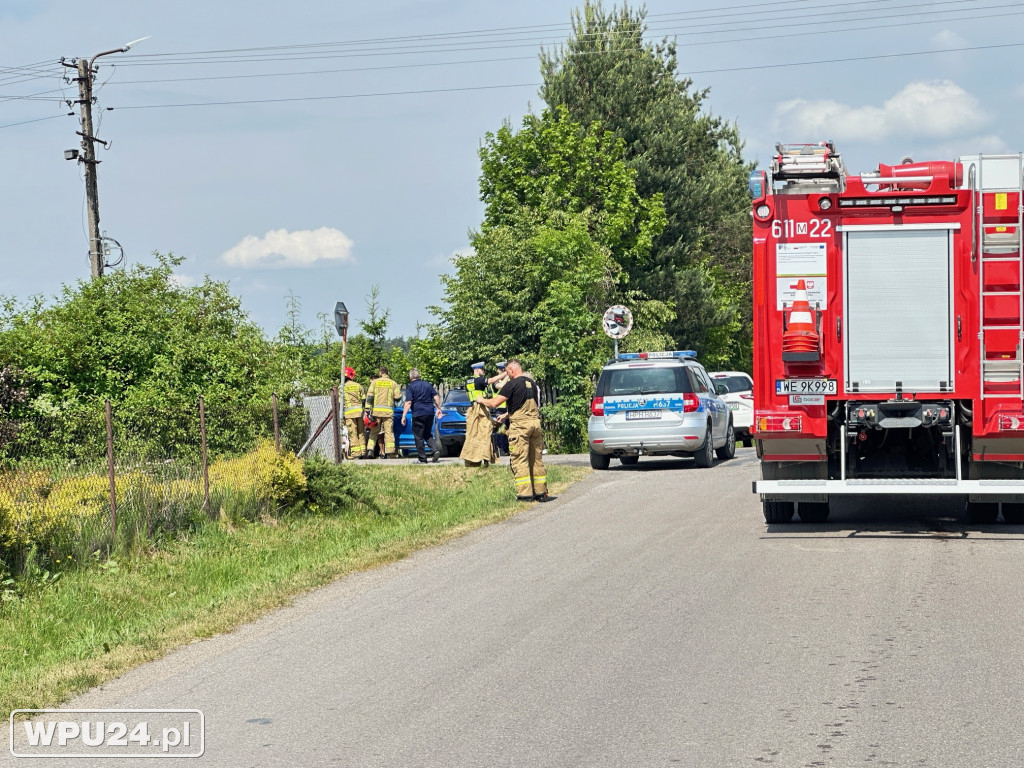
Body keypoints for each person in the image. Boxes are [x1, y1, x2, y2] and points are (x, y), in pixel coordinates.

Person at [479, 359, 549, 502]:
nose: (507, 375)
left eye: (507, 372)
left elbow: (494, 403)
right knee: (536, 459)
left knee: (520, 459)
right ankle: (541, 493)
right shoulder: (532, 385)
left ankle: (525, 495)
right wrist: (506, 415)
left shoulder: (512, 384)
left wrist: (481, 400)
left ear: (511, 370)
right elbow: (524, 405)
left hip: (521, 427)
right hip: (535, 425)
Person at [401, 368, 442, 463]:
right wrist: (439, 408)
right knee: (427, 433)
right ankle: (435, 450)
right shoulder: (427, 384)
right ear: (418, 375)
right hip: (430, 412)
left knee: (418, 436)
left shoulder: (411, 387)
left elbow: (408, 402)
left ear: (410, 376)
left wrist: (403, 416)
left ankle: (422, 459)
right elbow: (436, 397)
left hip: (418, 413)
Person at [461, 362, 497, 466]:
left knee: (472, 434)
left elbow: (468, 394)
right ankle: (485, 459)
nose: (484, 371)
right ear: (477, 370)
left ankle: (471, 460)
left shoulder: (468, 381)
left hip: (472, 408)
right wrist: (506, 374)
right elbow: (493, 380)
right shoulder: (479, 379)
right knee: (485, 432)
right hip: (481, 408)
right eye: (482, 369)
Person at [365, 367, 402, 458]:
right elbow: (398, 397)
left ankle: (370, 449)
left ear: (380, 373)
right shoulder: (393, 383)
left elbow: (369, 397)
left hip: (376, 412)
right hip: (388, 413)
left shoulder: (374, 383)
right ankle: (389, 452)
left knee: (374, 432)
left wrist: (367, 409)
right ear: (387, 373)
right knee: (388, 432)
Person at [342, 367, 365, 459]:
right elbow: (363, 399)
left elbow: (340, 402)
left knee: (352, 433)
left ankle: (355, 453)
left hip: (349, 414)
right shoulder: (358, 385)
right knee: (361, 432)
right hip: (359, 413)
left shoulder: (342, 387)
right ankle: (363, 451)